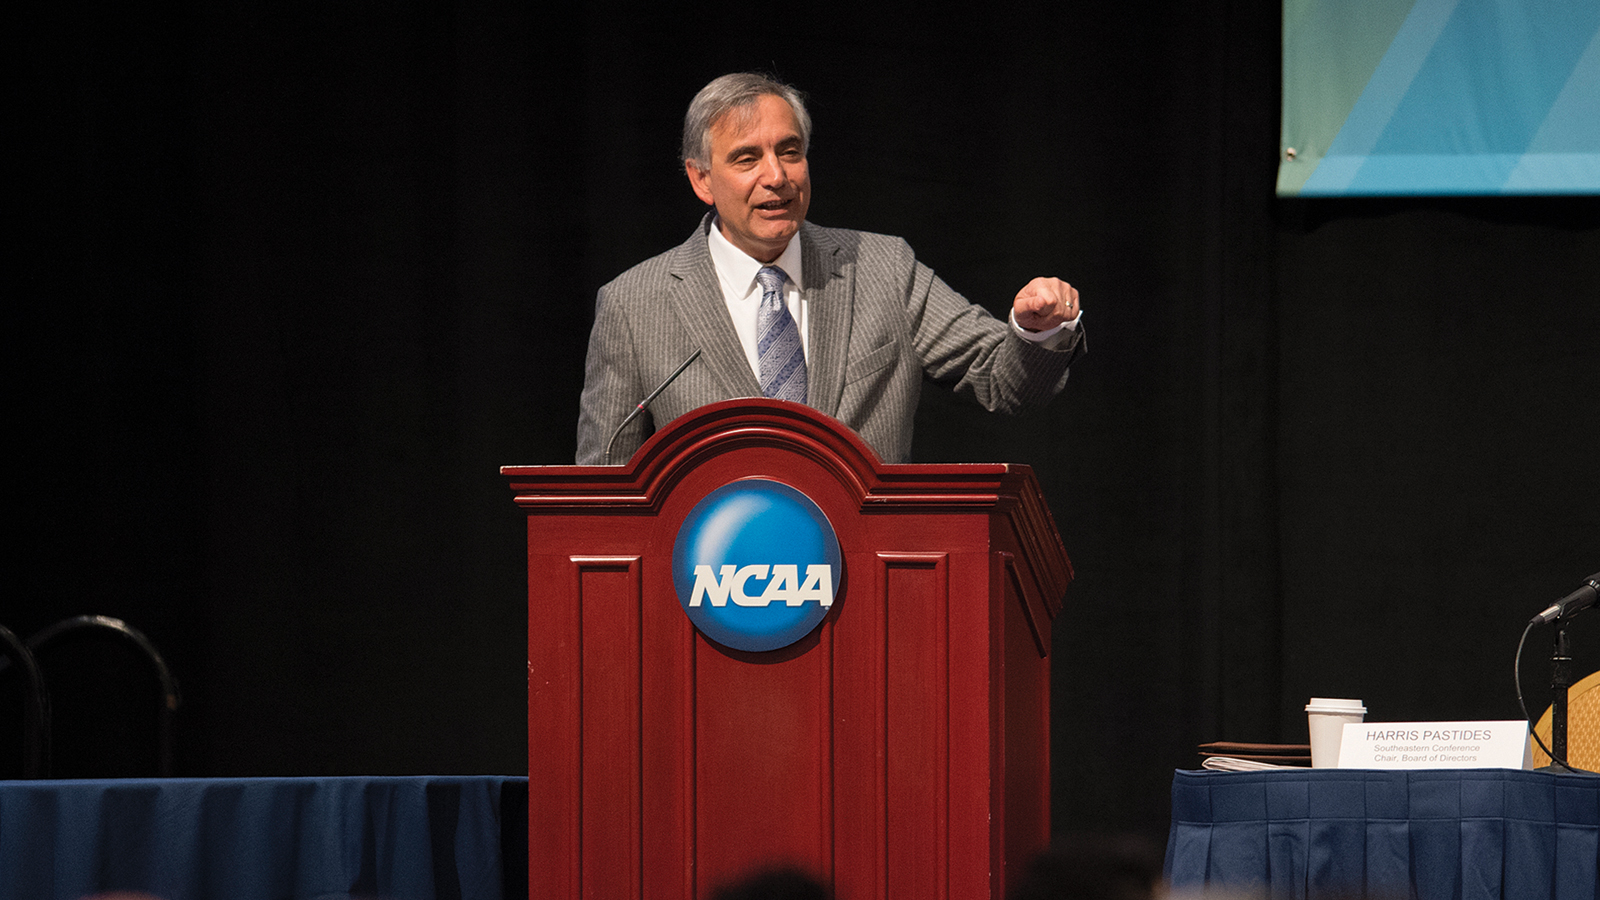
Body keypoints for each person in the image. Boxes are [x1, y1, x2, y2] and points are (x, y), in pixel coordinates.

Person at [576, 72, 1087, 465]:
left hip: (866, 566)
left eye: (790, 152)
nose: (776, 176)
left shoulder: (884, 269)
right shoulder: (634, 304)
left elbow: (1004, 382)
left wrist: (1037, 331)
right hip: (711, 571)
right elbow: (600, 494)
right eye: (747, 159)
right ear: (701, 180)